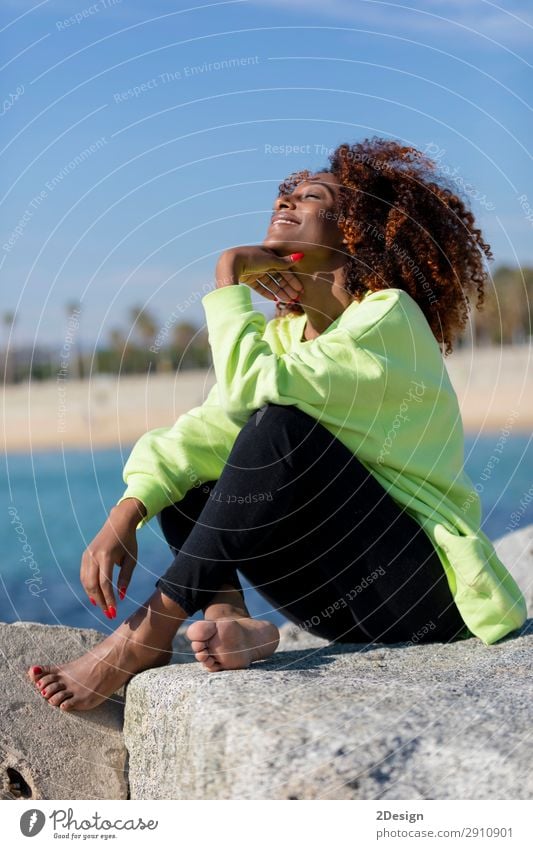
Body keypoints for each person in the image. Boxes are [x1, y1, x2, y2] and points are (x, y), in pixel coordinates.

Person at [27, 137, 526, 711]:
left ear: (355, 232)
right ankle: (231, 622)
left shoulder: (388, 317)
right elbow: (206, 429)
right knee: (193, 472)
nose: (285, 202)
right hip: (337, 603)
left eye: (310, 197)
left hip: (418, 596)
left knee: (277, 426)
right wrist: (130, 508)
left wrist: (229, 272)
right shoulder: (283, 339)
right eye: (284, 194)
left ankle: (147, 631)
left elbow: (254, 396)